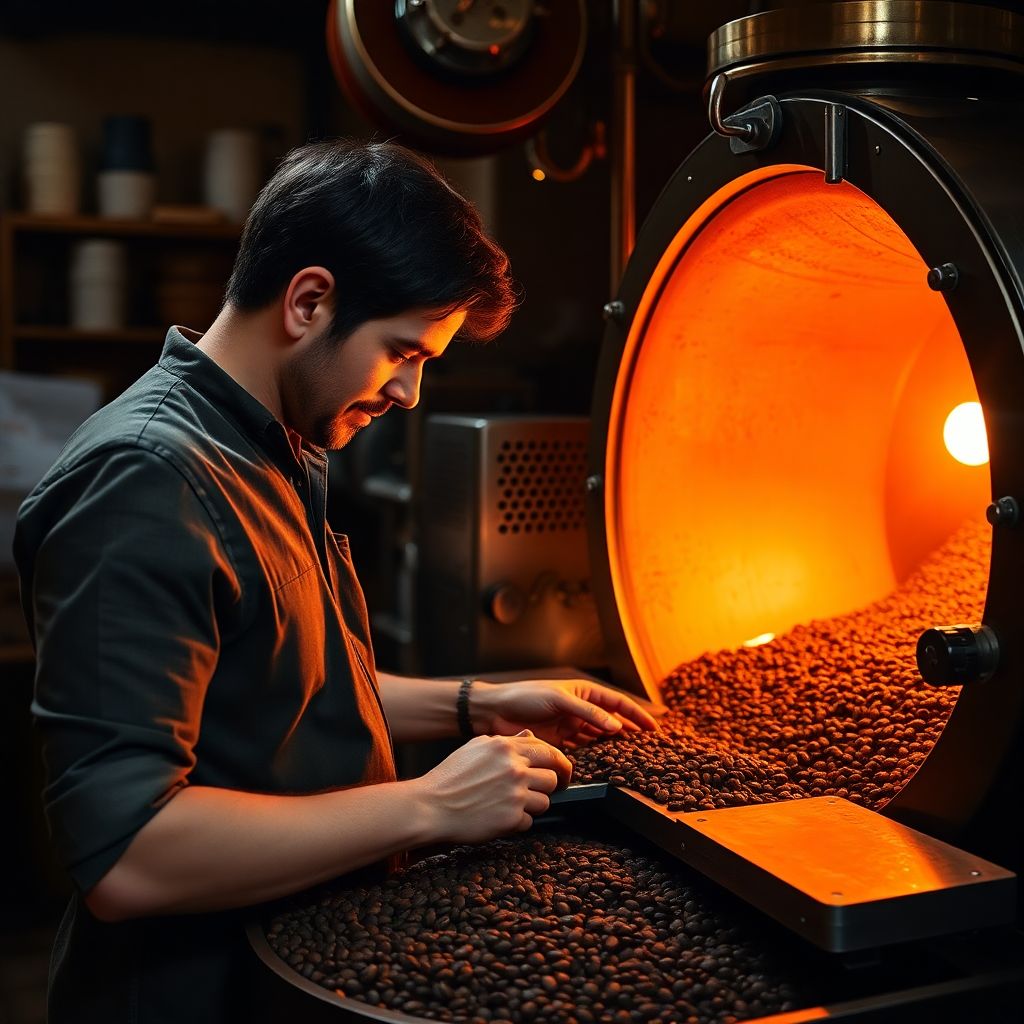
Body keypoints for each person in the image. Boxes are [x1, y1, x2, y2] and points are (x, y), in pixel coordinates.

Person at [13, 139, 657, 1022]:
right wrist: (428, 806)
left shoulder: (277, 442)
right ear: (309, 302)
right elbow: (130, 854)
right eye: (403, 352)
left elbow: (280, 686)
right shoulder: (145, 481)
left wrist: (478, 703)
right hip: (189, 993)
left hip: (297, 964)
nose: (410, 394)